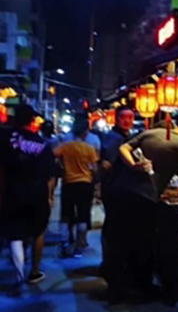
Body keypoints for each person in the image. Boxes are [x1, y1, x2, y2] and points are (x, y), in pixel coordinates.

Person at [106, 114, 178, 301]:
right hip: (143, 196)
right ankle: (139, 288)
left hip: (118, 191)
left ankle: (117, 286)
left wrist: (133, 165)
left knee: (119, 240)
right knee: (142, 243)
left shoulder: (152, 133)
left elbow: (123, 148)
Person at [0, 105, 57, 291]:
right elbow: (51, 175)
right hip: (38, 192)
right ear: (32, 120)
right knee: (38, 231)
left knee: (15, 234)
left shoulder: (5, 138)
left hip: (13, 191)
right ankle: (34, 271)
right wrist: (49, 196)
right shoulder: (42, 144)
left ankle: (19, 275)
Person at [98, 107, 135, 280]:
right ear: (116, 119)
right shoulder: (115, 138)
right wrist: (100, 184)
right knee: (115, 229)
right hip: (115, 189)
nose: (127, 121)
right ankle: (112, 268)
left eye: (130, 117)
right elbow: (106, 165)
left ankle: (112, 265)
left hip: (120, 188)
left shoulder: (125, 137)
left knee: (115, 228)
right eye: (123, 117)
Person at [53, 118, 99, 258]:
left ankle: (65, 244)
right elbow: (95, 168)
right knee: (82, 215)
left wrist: (61, 165)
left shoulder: (65, 147)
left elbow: (53, 154)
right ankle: (79, 247)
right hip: (85, 184)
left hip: (68, 183)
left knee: (66, 214)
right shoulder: (89, 149)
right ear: (85, 133)